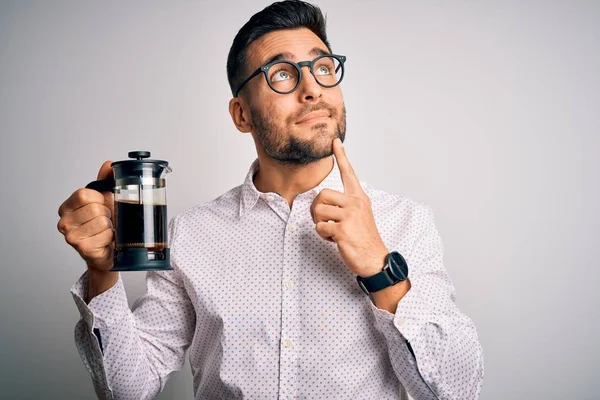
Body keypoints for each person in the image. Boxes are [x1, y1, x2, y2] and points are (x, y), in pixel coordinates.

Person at [56, 1, 484, 398]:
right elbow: (128, 390)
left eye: (323, 67)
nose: (312, 89)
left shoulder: (405, 221)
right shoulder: (190, 234)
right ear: (241, 114)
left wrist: (379, 269)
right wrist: (101, 273)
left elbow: (456, 391)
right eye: (281, 73)